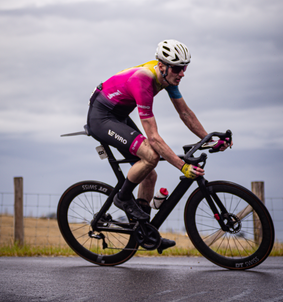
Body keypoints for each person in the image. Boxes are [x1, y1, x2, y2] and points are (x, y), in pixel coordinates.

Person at [87, 39, 230, 252]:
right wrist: (182, 166)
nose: (182, 73)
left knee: (150, 174)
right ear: (162, 65)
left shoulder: (167, 79)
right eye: (177, 68)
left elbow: (185, 113)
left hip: (117, 115)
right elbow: (153, 137)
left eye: (185, 68)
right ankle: (122, 197)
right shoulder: (143, 81)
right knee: (151, 156)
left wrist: (210, 139)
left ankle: (143, 230)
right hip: (102, 117)